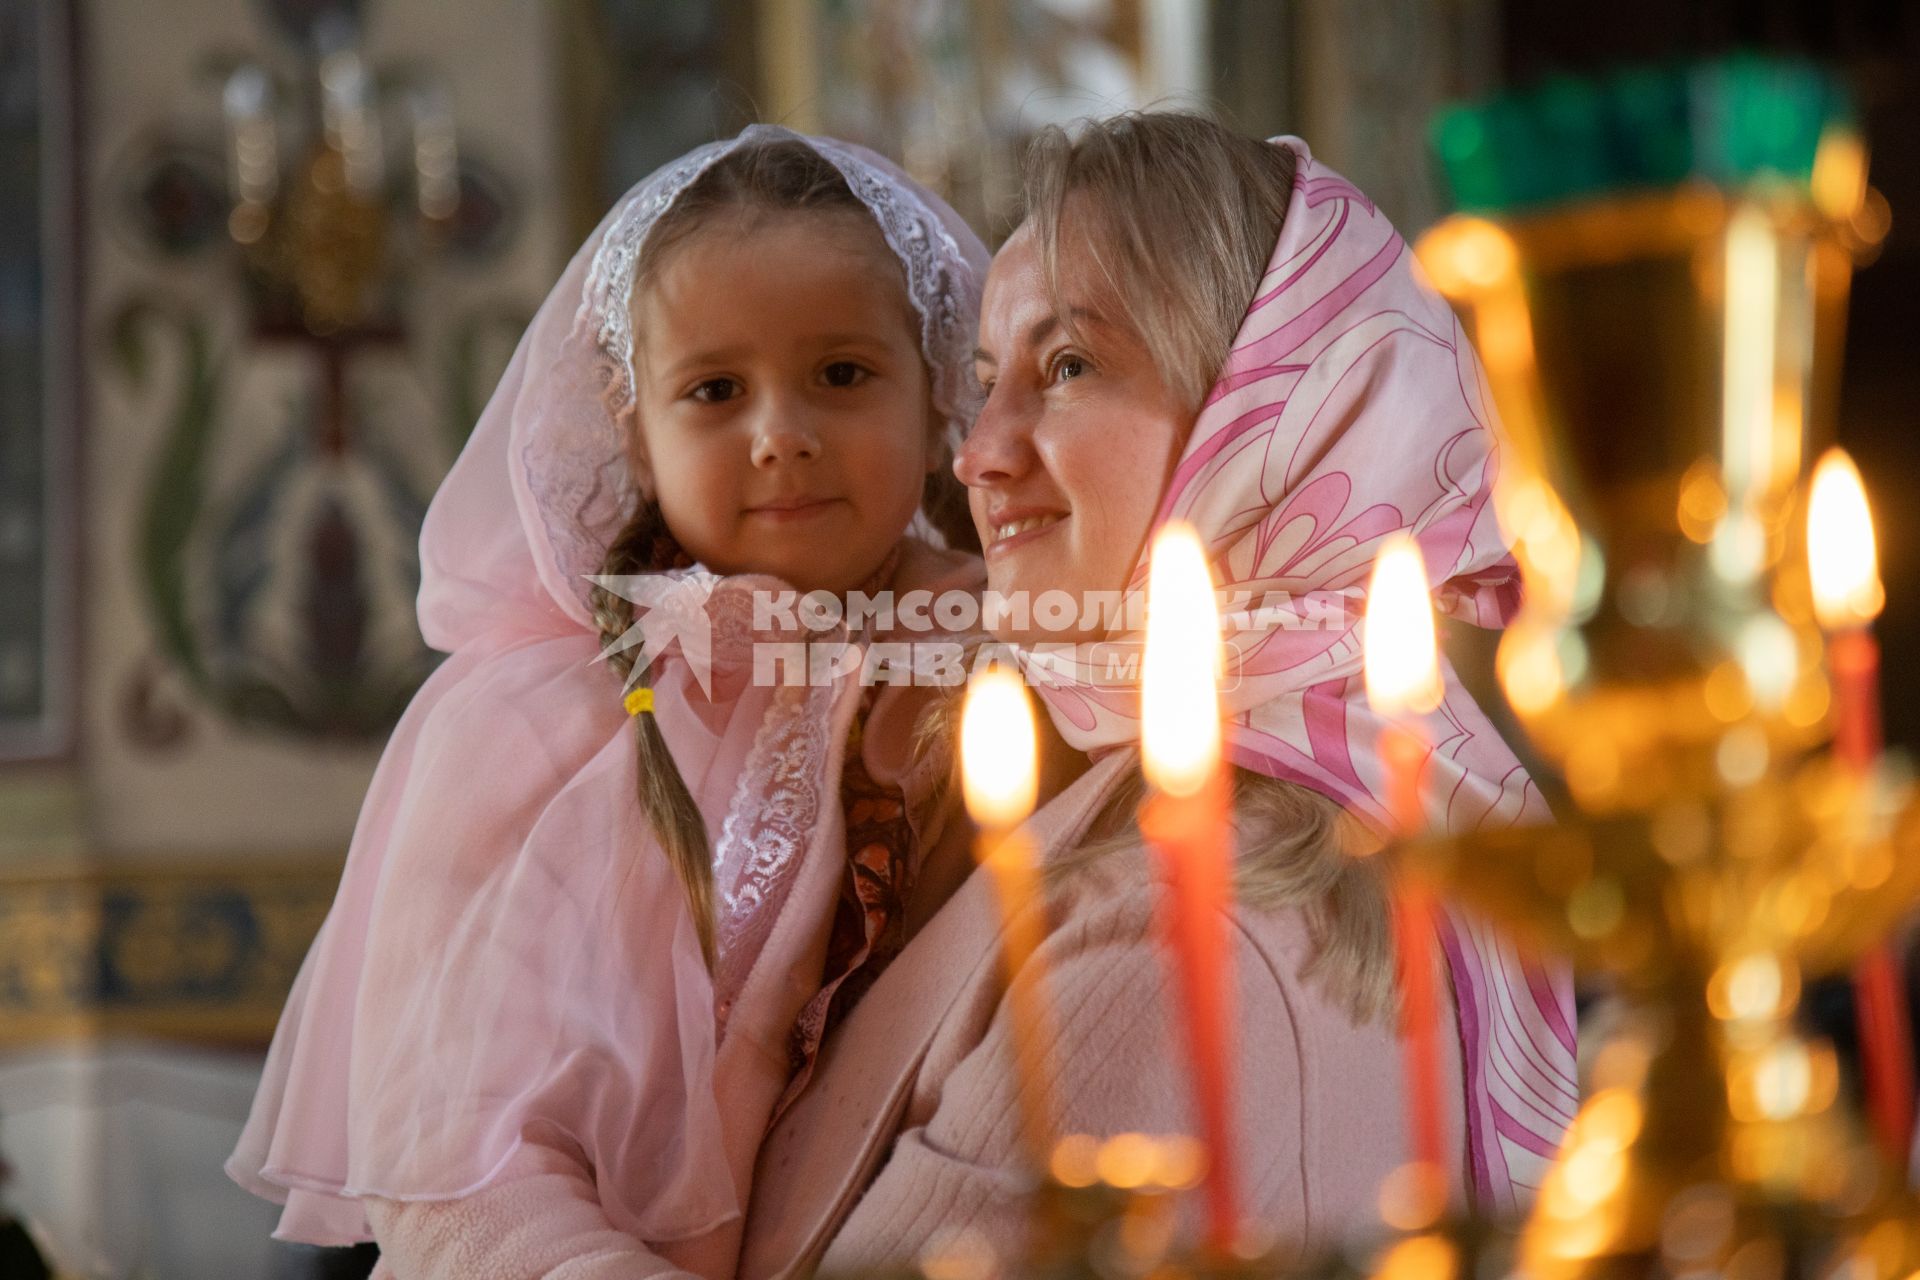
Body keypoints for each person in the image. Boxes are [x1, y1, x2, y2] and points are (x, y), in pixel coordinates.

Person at [729, 114, 1580, 1274]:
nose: (978, 451)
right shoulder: (1398, 773)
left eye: (1068, 366)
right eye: (987, 383)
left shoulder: (1186, 926)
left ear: (1268, 416)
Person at [226, 125, 989, 1279]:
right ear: (634, 433)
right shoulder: (539, 722)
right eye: (716, 389)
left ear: (939, 396)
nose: (781, 434)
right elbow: (465, 1158)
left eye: (842, 372)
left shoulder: (1013, 660)